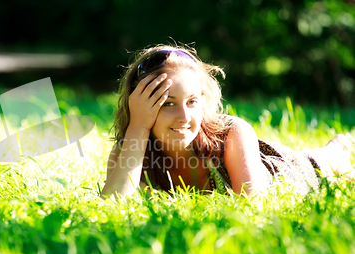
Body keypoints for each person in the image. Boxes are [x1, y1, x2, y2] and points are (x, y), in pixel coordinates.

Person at [101, 44, 355, 199]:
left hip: (279, 171)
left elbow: (252, 204)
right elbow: (112, 203)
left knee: (312, 163)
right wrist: (138, 126)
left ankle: (336, 151)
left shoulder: (232, 132)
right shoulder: (131, 151)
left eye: (191, 102)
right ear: (140, 106)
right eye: (167, 103)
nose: (184, 116)